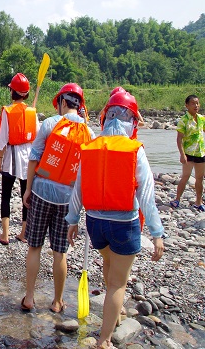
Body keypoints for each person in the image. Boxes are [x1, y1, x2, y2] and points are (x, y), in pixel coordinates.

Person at [66, 91, 164, 348]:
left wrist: (72, 220)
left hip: (95, 224)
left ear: (105, 119)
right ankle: (104, 340)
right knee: (119, 283)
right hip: (124, 224)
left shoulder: (91, 147)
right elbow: (145, 195)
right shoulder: (135, 150)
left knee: (109, 263)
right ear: (132, 120)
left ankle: (116, 314)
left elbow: (79, 188)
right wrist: (156, 233)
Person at [20, 83, 94, 313]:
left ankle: (30, 298)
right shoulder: (89, 133)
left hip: (41, 191)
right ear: (80, 105)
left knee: (34, 247)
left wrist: (28, 189)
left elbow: (34, 158)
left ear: (62, 102)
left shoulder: (50, 124)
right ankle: (57, 302)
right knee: (59, 251)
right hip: (68, 198)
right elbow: (86, 171)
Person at [0, 73, 38, 245]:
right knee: (25, 195)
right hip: (28, 155)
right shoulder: (32, 112)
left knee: (6, 195)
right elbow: (37, 136)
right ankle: (24, 233)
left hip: (11, 155)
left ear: (12, 92)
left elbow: (3, 138)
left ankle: (5, 234)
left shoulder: (8, 111)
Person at [171, 94, 205, 211]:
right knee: (185, 177)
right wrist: (182, 154)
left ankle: (198, 202)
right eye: (193, 103)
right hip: (188, 153)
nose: (196, 105)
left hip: (200, 152)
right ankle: (177, 200)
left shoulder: (201, 118)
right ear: (187, 105)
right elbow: (179, 138)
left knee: (200, 178)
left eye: (197, 103)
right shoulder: (183, 120)